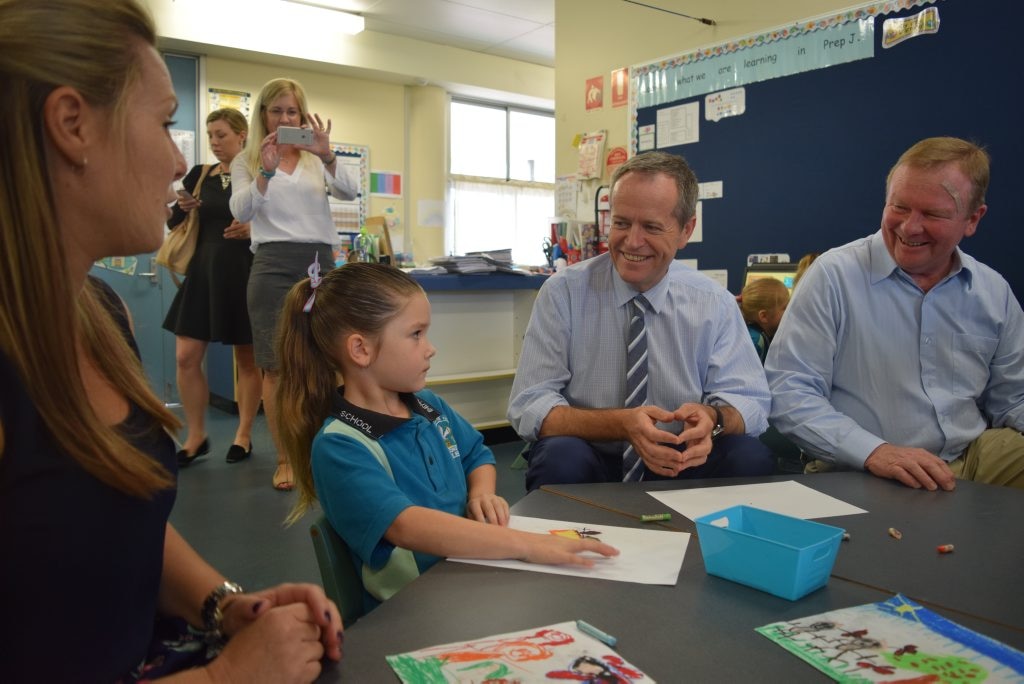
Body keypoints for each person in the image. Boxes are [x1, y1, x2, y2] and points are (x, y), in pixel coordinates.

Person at [0, 1, 342, 680]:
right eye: (162, 124)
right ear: (71, 125)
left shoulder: (100, 316)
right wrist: (223, 676)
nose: (175, 156)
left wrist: (222, 606)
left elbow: (116, 524)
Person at [274, 261, 619, 611]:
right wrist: (524, 544)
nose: (430, 348)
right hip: (415, 607)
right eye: (416, 334)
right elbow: (406, 526)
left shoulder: (427, 405)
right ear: (361, 350)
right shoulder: (340, 445)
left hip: (468, 573)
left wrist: (481, 493)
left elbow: (476, 455)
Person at [766, 137, 1024, 491]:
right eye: (899, 207)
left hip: (973, 458)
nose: (909, 227)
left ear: (972, 219)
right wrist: (876, 452)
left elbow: (1013, 398)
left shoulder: (992, 292)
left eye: (932, 214)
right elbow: (788, 392)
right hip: (864, 467)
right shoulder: (834, 276)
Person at [508, 151, 774, 490]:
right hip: (592, 453)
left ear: (685, 230)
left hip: (683, 457)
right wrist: (621, 424)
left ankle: (717, 542)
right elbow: (530, 404)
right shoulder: (563, 293)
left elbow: (751, 401)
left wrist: (714, 419)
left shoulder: (713, 303)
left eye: (651, 226)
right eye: (621, 223)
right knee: (559, 456)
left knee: (750, 457)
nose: (632, 242)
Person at [230, 77, 358, 491]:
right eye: (277, 111)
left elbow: (349, 192)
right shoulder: (247, 159)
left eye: (293, 112)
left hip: (320, 261)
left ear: (302, 117)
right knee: (274, 365)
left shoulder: (313, 157)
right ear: (263, 114)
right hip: (271, 264)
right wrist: (265, 172)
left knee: (329, 359)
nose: (285, 118)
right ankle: (285, 457)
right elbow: (241, 208)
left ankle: (333, 450)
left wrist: (328, 155)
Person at [163, 107, 260, 467]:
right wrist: (183, 207)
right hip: (203, 273)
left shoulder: (257, 174)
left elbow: (279, 222)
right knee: (186, 357)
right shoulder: (200, 174)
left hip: (245, 271)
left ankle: (244, 434)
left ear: (241, 135)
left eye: (221, 135)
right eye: (211, 136)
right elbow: (173, 222)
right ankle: (196, 435)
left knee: (247, 360)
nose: (215, 142)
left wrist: (255, 229)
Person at [737, 277, 790, 364]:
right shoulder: (755, 341)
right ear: (764, 316)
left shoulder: (759, 334)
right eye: (785, 308)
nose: (789, 312)